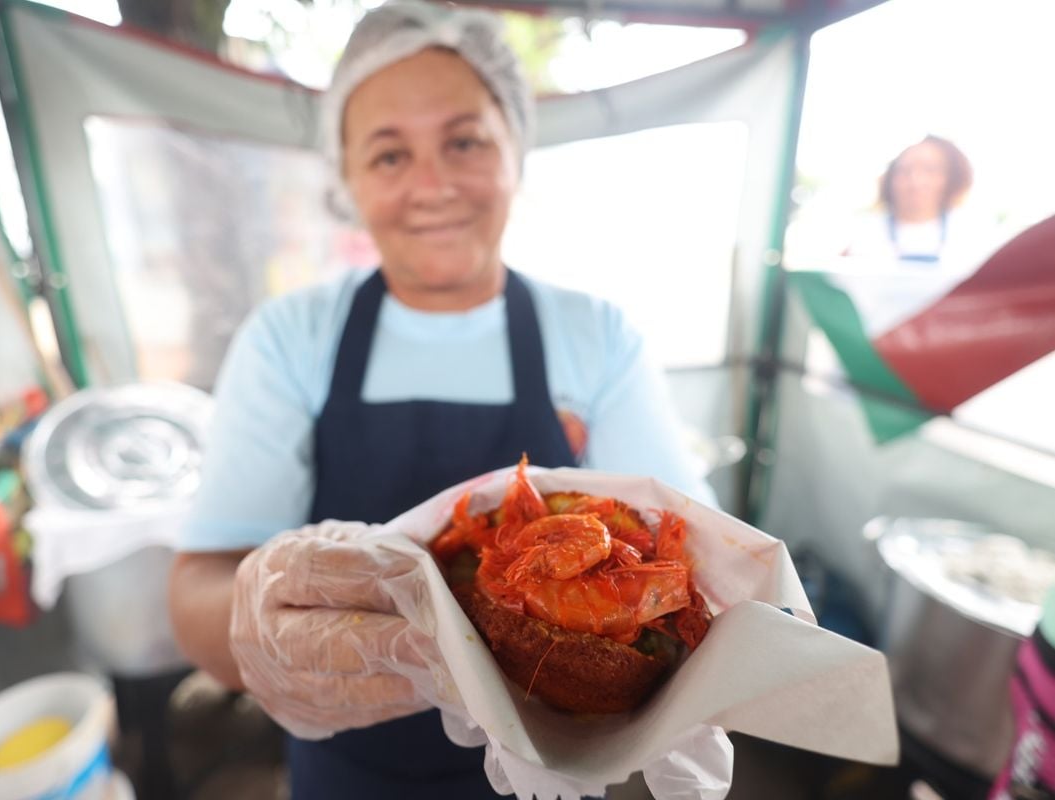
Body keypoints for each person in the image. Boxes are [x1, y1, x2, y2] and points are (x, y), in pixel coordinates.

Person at [168, 3, 715, 798]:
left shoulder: (594, 335)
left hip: (558, 756)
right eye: (388, 156)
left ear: (514, 153)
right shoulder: (292, 337)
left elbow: (691, 569)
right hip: (348, 762)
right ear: (347, 181)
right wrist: (257, 626)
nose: (432, 185)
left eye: (463, 141)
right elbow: (195, 593)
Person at [843, 134, 985, 267]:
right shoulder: (864, 234)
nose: (915, 181)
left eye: (930, 170)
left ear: (951, 179)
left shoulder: (971, 233)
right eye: (905, 171)